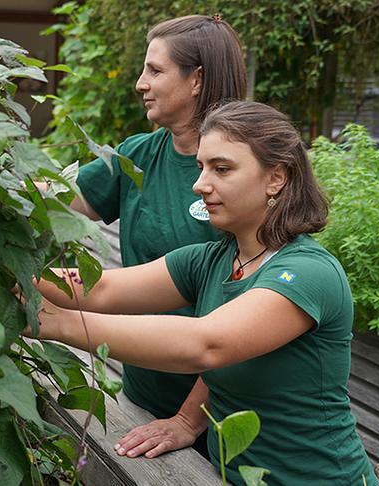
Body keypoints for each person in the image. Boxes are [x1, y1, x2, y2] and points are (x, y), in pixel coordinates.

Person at [27, 101, 379, 485]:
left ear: (276, 177)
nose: (199, 184)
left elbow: (206, 345)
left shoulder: (308, 272)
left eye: (221, 169)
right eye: (201, 167)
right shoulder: (213, 259)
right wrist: (17, 276)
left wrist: (58, 323)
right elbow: (104, 289)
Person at [40, 14, 247, 458]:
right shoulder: (139, 154)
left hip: (214, 415)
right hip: (142, 394)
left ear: (197, 80)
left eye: (155, 70)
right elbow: (54, 199)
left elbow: (241, 319)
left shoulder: (237, 179)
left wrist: (189, 420)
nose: (140, 83)